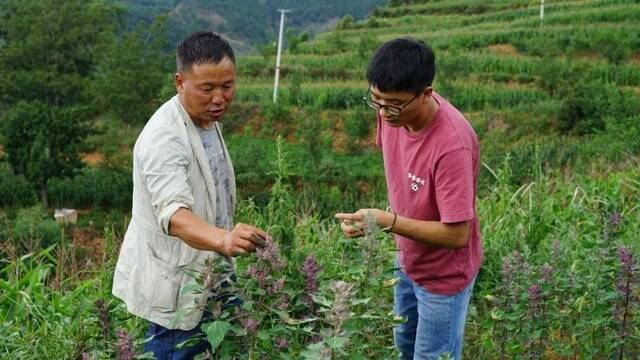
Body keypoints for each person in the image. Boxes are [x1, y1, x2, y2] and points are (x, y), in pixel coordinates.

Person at [112, 31, 268, 359]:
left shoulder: (206, 122)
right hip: (177, 286)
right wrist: (224, 240)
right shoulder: (164, 138)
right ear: (180, 82)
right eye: (207, 88)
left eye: (227, 86)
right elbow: (175, 216)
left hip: (213, 273)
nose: (219, 98)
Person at [335, 37, 482, 360]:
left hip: (443, 278)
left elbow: (458, 235)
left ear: (426, 93)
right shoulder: (392, 112)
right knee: (404, 346)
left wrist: (390, 222)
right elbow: (406, 177)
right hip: (407, 259)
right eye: (376, 100)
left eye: (394, 103)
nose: (384, 112)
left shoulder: (453, 145)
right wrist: (375, 221)